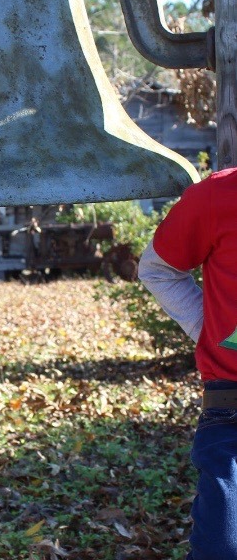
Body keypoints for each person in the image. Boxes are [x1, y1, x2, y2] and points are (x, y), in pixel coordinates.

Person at [138, 166, 237, 560]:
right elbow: (158, 270)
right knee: (221, 549)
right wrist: (208, 329)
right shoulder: (219, 194)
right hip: (231, 413)